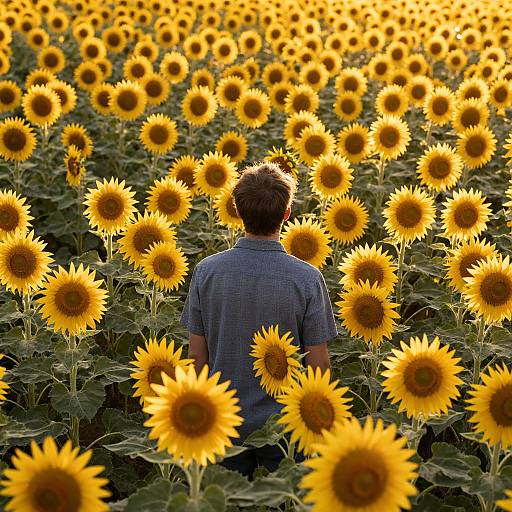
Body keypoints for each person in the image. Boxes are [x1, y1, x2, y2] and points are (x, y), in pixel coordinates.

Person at [180, 162, 337, 477]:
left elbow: (197, 357)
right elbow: (318, 365)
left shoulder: (207, 272)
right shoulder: (306, 278)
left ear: (236, 211)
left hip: (222, 422)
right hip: (285, 429)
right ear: (287, 213)